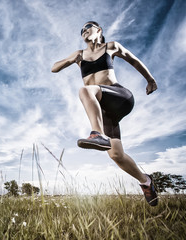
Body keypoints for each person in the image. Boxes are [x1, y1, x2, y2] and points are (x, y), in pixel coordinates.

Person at [51, 21, 158, 206]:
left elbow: (133, 60)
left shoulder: (110, 47)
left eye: (88, 27)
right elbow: (54, 68)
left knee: (85, 90)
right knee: (116, 154)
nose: (84, 30)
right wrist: (71, 59)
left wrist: (150, 80)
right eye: (81, 30)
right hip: (105, 111)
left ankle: (96, 133)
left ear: (99, 30)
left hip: (120, 97)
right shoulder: (79, 55)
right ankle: (146, 181)